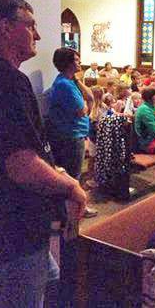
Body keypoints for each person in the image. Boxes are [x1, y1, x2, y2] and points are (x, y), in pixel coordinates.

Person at [0, 0, 88, 306]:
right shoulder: (8, 81)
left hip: (11, 231)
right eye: (30, 25)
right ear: (5, 28)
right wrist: (71, 185)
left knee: (51, 276)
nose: (39, 34)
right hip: (13, 233)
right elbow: (20, 164)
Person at [46, 48, 98, 220]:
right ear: (67, 63)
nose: (79, 62)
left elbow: (90, 96)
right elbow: (81, 110)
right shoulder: (63, 85)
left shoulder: (71, 81)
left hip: (75, 134)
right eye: (76, 60)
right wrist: (87, 105)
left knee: (73, 174)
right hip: (69, 136)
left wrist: (77, 80)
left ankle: (72, 209)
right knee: (72, 176)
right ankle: (72, 213)